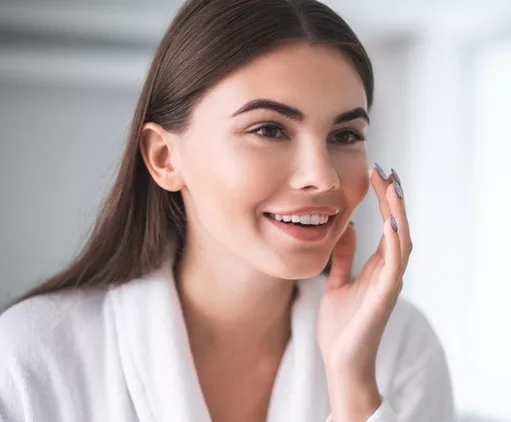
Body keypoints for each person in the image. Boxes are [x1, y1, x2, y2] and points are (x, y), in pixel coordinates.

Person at [0, 0, 455, 421]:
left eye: (345, 135)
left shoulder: (401, 347)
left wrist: (353, 383)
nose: (323, 177)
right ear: (164, 157)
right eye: (269, 130)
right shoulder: (32, 355)